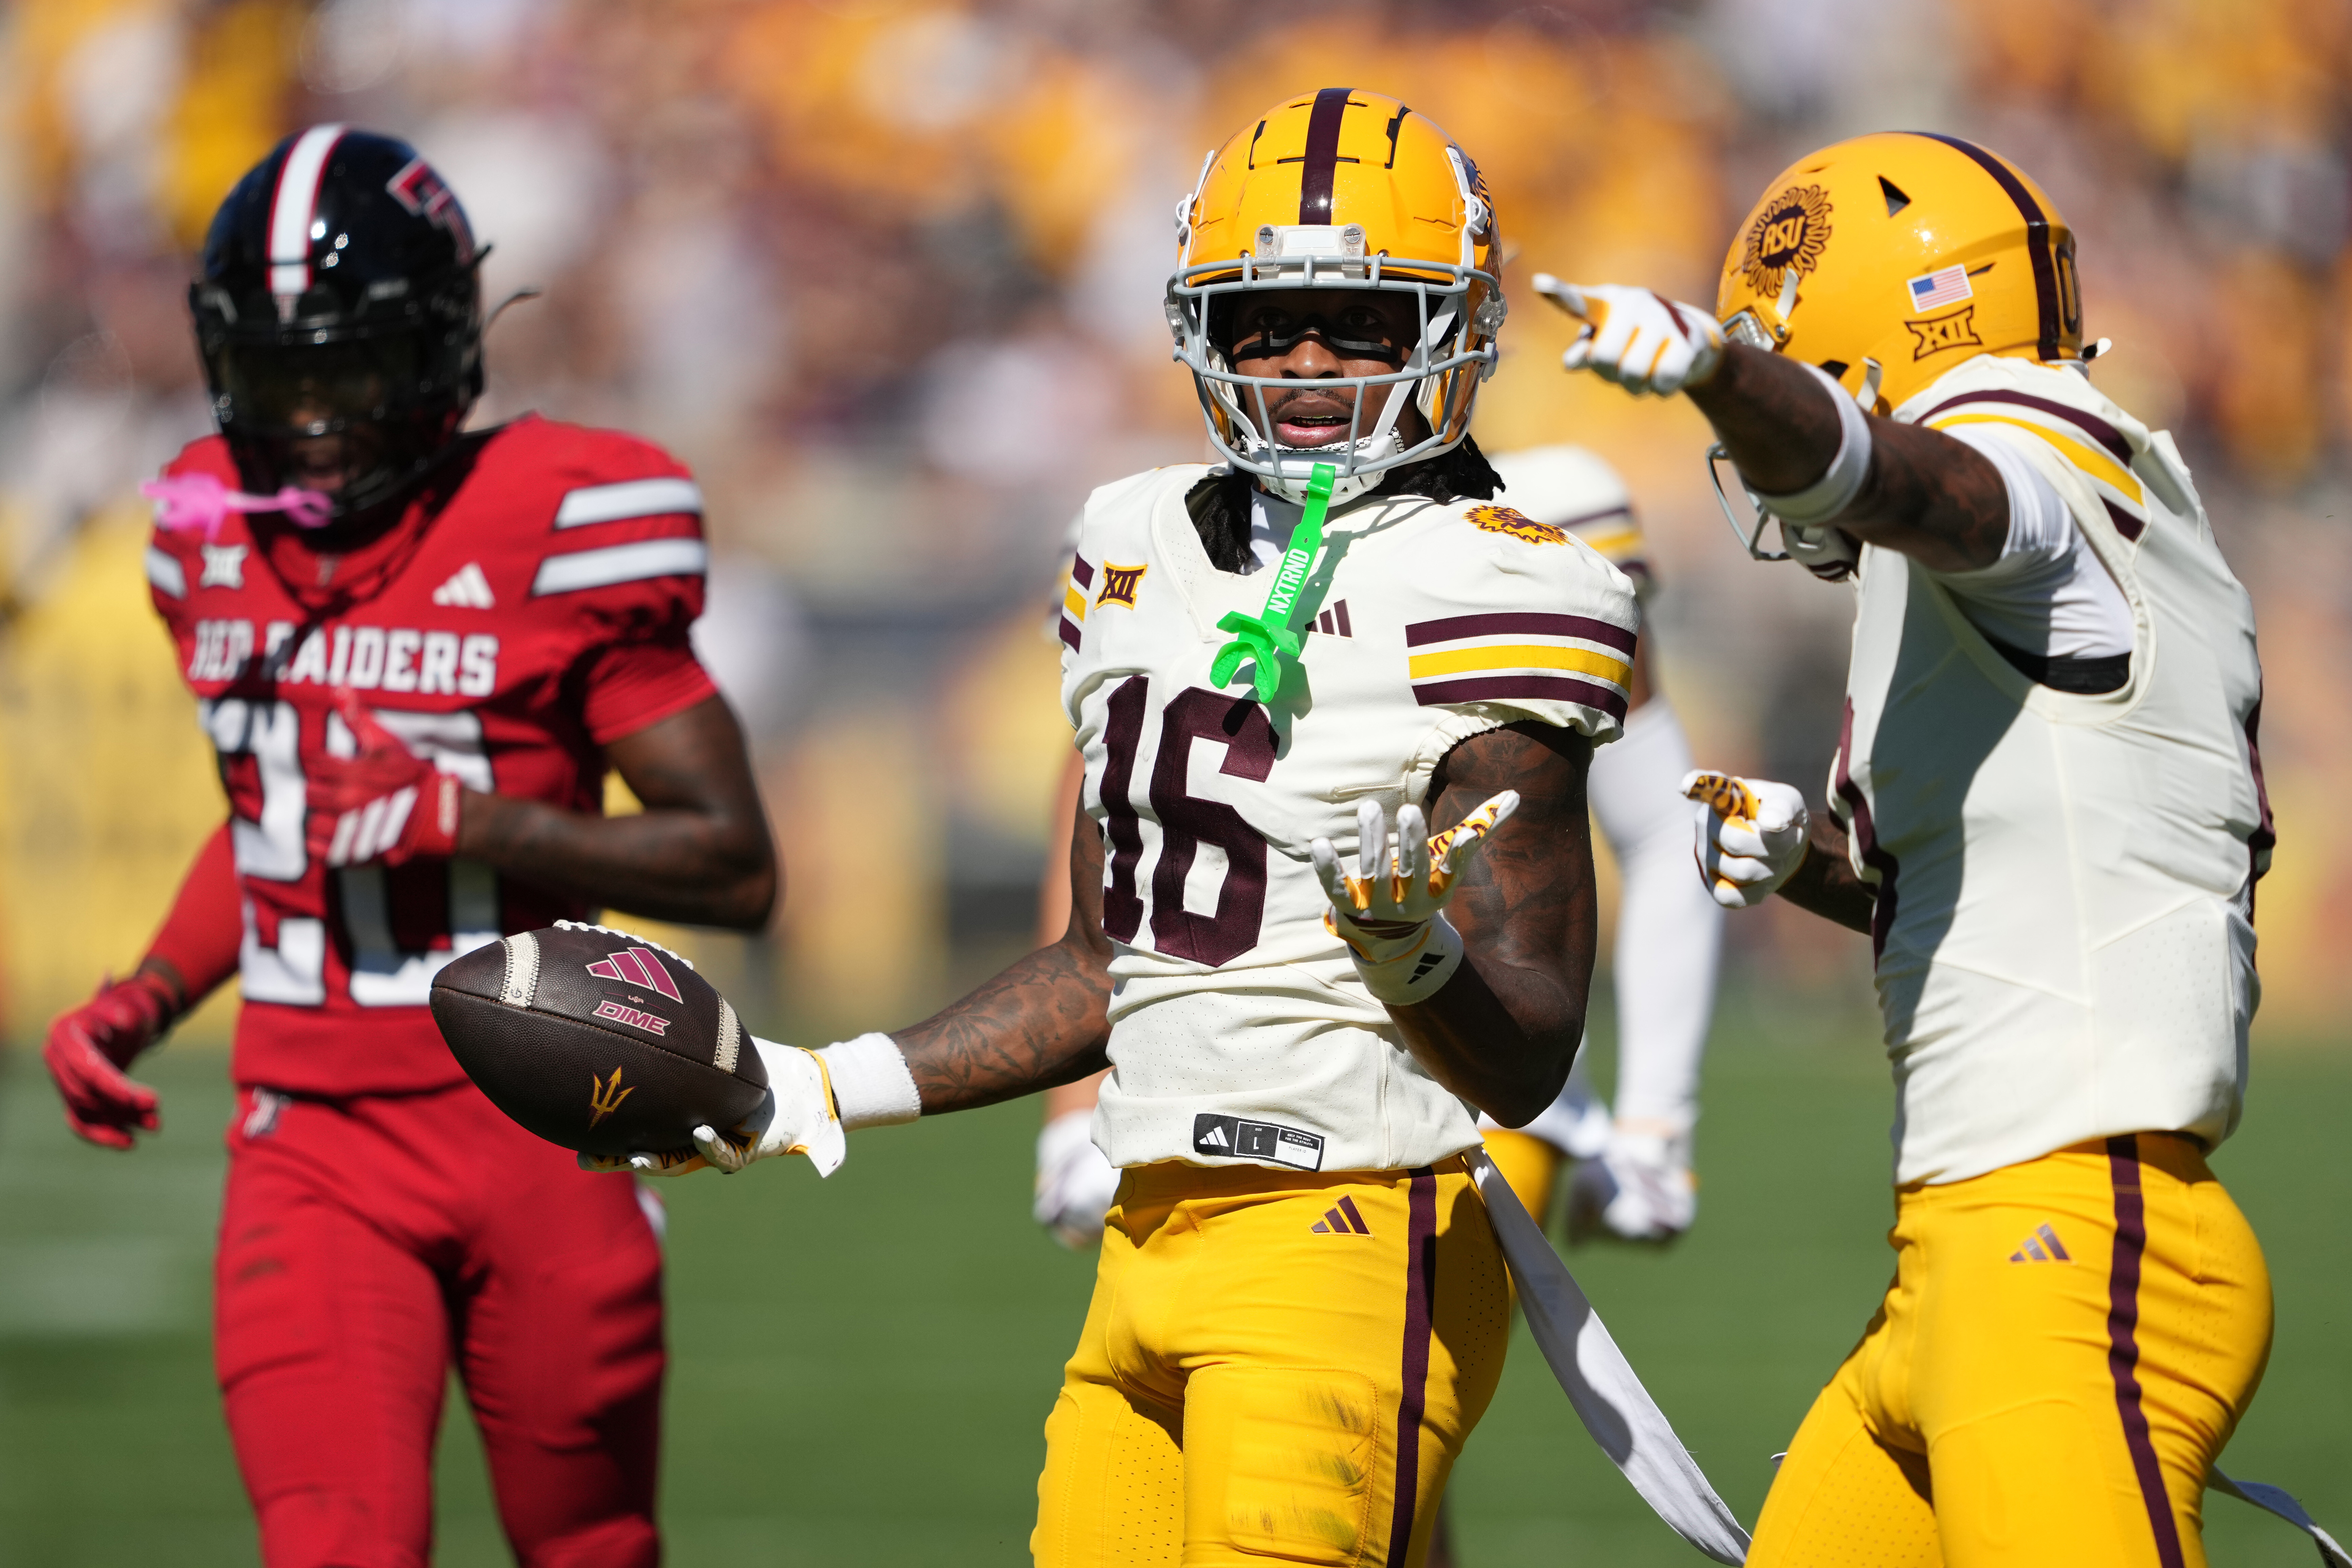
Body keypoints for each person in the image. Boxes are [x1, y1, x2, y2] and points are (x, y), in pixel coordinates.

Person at [609, 90, 1639, 1567]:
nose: (1300, 361)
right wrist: (815, 1088)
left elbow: (1528, 1048)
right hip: (1146, 1239)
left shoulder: (1514, 590)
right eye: (1263, 317)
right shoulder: (1128, 541)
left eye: (1355, 321)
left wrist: (1406, 950)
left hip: (1347, 1237)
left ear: (1449, 329)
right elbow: (1110, 958)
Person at [39, 127, 776, 1568]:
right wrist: (146, 993)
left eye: (349, 375)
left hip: (543, 1121)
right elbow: (275, 828)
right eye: (276, 376)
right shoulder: (201, 529)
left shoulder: (568, 520)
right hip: (311, 1140)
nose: (311, 423)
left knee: (592, 1547)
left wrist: (481, 820)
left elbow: (735, 865)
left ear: (443, 354)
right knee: (337, 1544)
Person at [1544, 131, 2273, 1567]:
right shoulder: (1996, 593)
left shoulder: (2034, 444)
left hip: (2069, 1239)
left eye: (1796, 366)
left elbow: (1947, 494)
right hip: (1964, 1254)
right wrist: (1811, 858)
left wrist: (1721, 373)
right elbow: (2013, 895)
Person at [1040, 447, 1726, 1257]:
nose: (1311, 357)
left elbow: (1661, 823)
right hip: (1207, 1085)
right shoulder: (1166, 518)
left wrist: (1655, 1127)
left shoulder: (1543, 522)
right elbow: (1107, 801)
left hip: (1463, 1091)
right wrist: (1074, 1117)